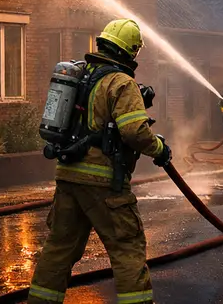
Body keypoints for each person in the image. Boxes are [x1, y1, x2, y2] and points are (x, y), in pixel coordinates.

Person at [28, 19, 171, 304]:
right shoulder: (121, 82)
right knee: (127, 248)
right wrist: (159, 148)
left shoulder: (82, 75)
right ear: (130, 52)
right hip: (104, 183)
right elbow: (134, 132)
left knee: (59, 248)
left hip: (68, 176)